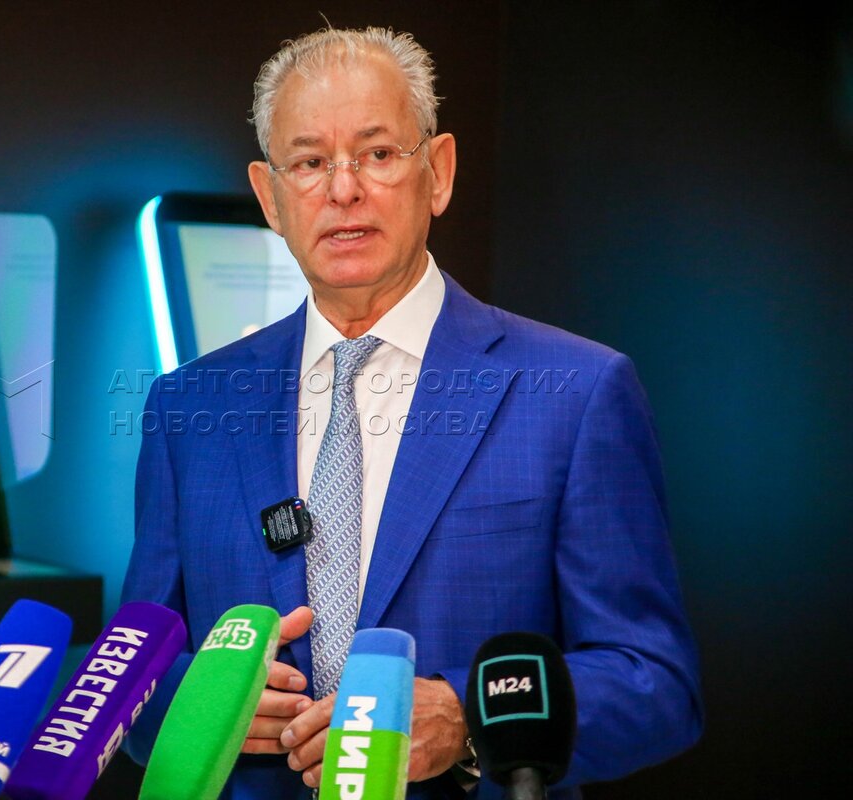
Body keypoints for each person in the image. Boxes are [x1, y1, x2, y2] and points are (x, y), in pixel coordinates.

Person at [121, 26, 702, 799]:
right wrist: (198, 704)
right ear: (270, 196)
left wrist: (469, 717)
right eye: (309, 162)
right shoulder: (189, 407)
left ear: (439, 172)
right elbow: (129, 678)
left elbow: (655, 682)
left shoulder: (578, 392)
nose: (343, 190)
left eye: (378, 153)